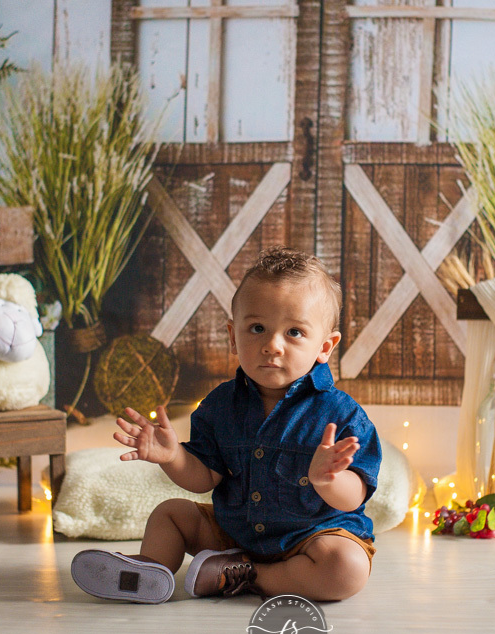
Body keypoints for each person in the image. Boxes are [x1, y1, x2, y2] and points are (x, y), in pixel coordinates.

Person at [71, 247, 381, 604]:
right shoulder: (219, 405)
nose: (272, 345)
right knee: (170, 513)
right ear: (233, 337)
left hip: (310, 539)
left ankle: (250, 577)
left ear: (325, 346)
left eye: (294, 332)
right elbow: (205, 478)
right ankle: (149, 570)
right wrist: (172, 457)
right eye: (258, 328)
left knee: (347, 568)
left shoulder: (342, 415)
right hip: (234, 532)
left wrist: (329, 479)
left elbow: (355, 495)